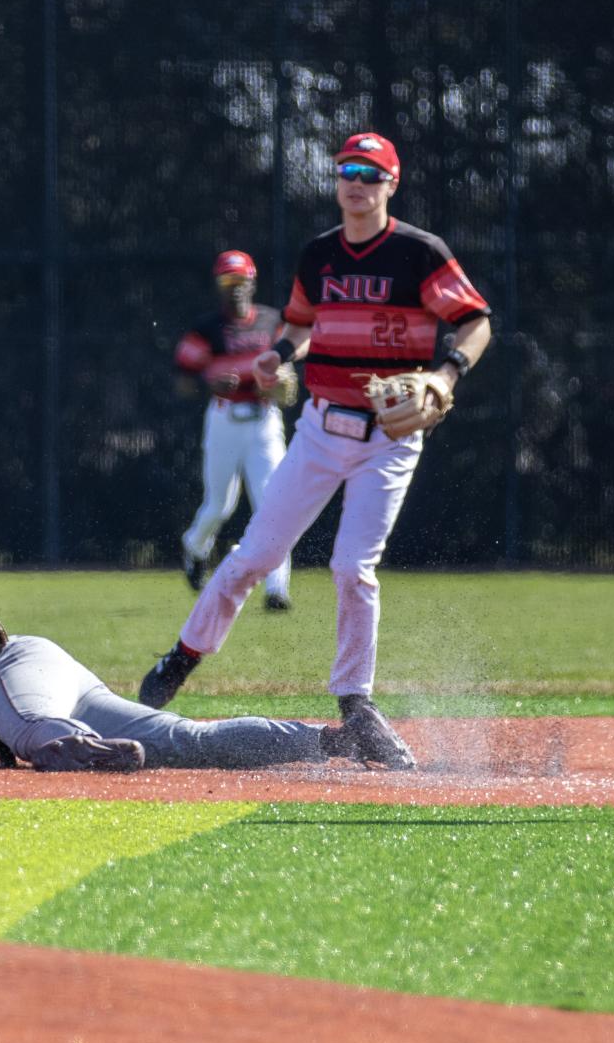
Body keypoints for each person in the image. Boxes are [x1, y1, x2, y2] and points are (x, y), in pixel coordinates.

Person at [139, 133, 492, 769]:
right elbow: (301, 323)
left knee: (353, 568)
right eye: (346, 171)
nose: (356, 182)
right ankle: (181, 658)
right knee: (255, 557)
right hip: (322, 429)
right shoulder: (321, 255)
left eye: (369, 172)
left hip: (390, 435)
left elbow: (476, 320)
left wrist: (445, 375)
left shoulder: (419, 253)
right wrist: (280, 353)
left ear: (392, 183)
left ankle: (356, 704)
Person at [0, 496, 370, 771]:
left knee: (31, 734)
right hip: (49, 673)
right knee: (185, 741)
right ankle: (330, 740)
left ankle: (86, 749)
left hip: (11, 671)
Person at [173, 249, 295, 608]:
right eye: (228, 281)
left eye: (240, 280)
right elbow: (183, 380)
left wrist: (280, 386)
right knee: (219, 507)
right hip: (225, 418)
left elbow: (290, 381)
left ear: (253, 281)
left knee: (274, 504)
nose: (235, 289)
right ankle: (194, 547)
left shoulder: (274, 321)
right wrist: (209, 385)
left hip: (265, 420)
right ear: (218, 285)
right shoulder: (208, 328)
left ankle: (277, 588)